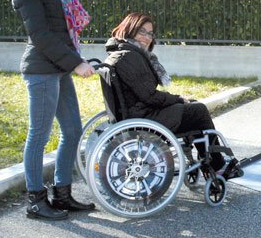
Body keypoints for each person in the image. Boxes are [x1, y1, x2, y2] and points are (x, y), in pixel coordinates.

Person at [2, 0, 97, 221]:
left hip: (58, 66)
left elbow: (61, 30)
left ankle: (62, 194)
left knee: (72, 131)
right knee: (39, 135)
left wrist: (71, 61)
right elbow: (41, 35)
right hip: (42, 69)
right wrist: (75, 62)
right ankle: (35, 200)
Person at [103, 12, 241, 178]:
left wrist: (176, 99)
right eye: (142, 32)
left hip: (137, 114)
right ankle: (217, 165)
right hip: (145, 119)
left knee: (192, 106)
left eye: (150, 33)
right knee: (198, 110)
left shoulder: (121, 53)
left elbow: (143, 92)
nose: (147, 38)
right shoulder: (129, 56)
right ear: (129, 29)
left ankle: (208, 161)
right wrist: (176, 98)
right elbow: (149, 96)